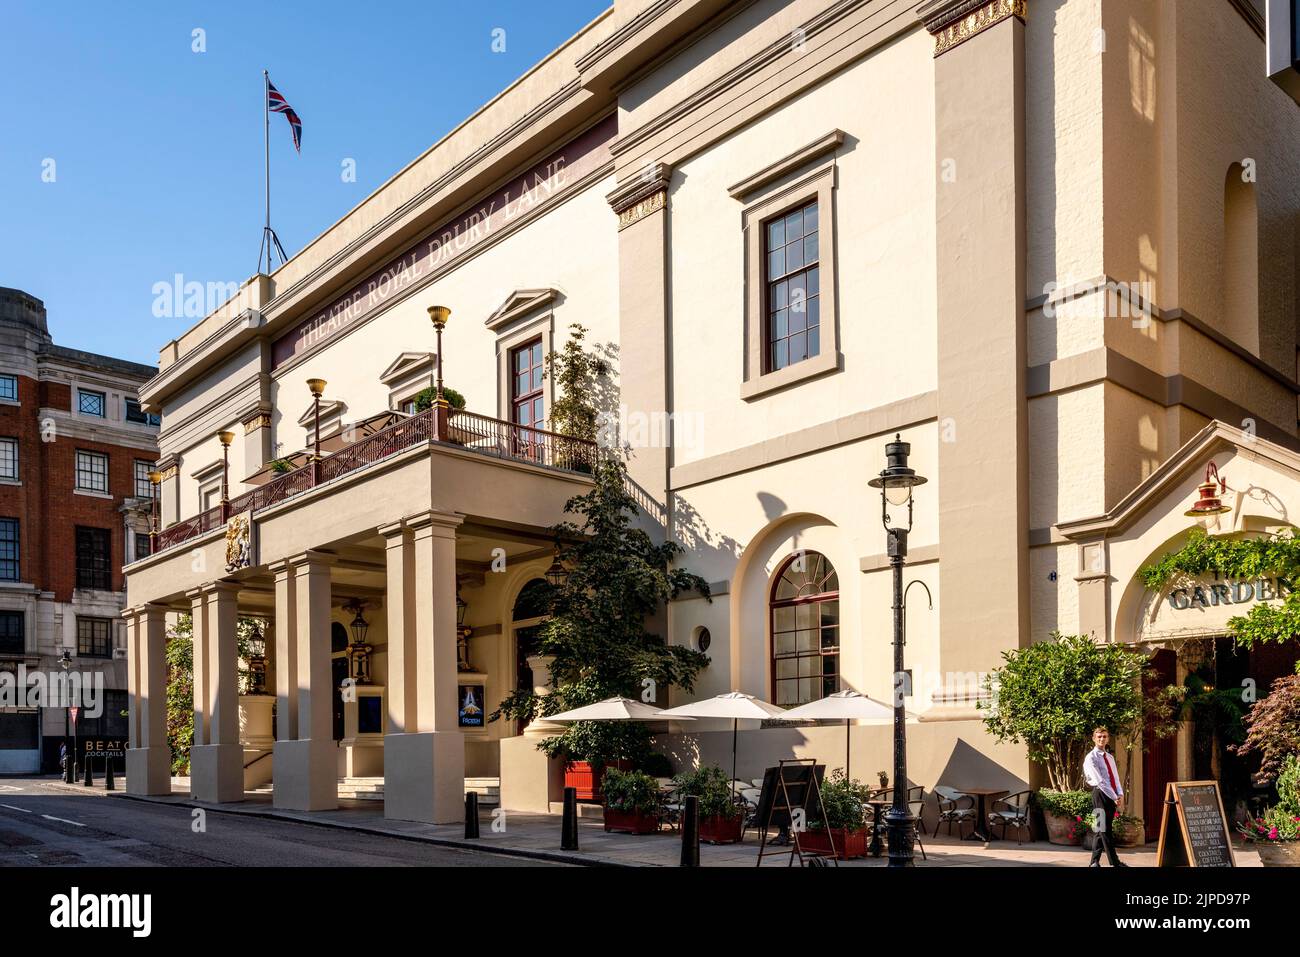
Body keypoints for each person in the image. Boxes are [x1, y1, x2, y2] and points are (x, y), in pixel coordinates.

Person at [1083, 726, 1127, 867]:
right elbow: (1100, 781)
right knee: (1104, 830)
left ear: (1108, 738)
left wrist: (1120, 794)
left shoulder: (1110, 757)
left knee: (1100, 829)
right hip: (1100, 795)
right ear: (1094, 738)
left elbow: (1115, 778)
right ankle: (1115, 863)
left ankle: (1094, 862)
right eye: (1099, 736)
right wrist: (1114, 796)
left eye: (1104, 736)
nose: (1102, 739)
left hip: (1111, 795)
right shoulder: (1091, 758)